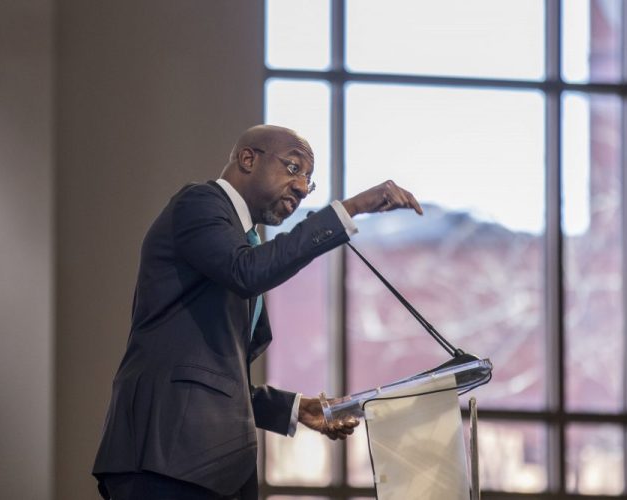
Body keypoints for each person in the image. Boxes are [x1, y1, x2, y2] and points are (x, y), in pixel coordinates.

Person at [92, 124, 423, 499]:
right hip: (164, 457)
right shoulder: (199, 203)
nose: (301, 187)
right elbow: (246, 272)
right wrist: (350, 210)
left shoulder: (240, 240)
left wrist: (296, 407)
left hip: (210, 464)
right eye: (294, 168)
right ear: (248, 159)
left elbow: (217, 374)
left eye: (309, 181)